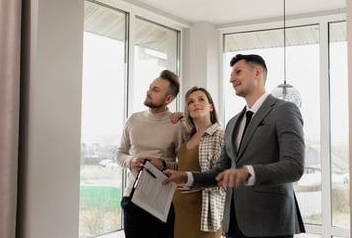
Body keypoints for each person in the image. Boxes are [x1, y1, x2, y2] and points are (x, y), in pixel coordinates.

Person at [163, 54, 306, 238]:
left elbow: (294, 167)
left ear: (257, 72)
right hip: (233, 224)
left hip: (270, 222)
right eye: (231, 74)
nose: (231, 79)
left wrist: (248, 173)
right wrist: (185, 177)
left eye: (238, 72)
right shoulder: (233, 123)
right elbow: (220, 172)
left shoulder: (284, 110)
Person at [115, 69, 186, 238]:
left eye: (156, 90)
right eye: (150, 87)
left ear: (169, 99)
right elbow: (120, 154)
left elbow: (183, 166)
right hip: (131, 198)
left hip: (161, 202)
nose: (149, 92)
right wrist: (131, 160)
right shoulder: (133, 119)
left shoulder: (177, 125)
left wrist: (162, 164)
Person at [173, 86, 226, 238]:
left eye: (201, 99)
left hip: (205, 216)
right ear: (187, 110)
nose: (196, 104)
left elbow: (227, 178)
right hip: (181, 214)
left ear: (211, 107)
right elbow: (183, 168)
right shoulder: (187, 138)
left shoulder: (221, 136)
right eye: (190, 102)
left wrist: (197, 184)